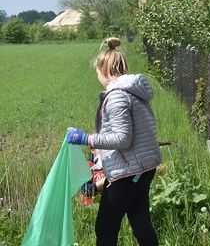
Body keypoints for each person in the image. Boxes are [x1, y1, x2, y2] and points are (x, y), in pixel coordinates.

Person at [66, 37, 161, 246]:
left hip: (128, 171)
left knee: (105, 227)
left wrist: (87, 138)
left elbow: (123, 138)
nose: (97, 76)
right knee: (140, 221)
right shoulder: (134, 92)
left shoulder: (117, 96)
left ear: (104, 70)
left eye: (97, 72)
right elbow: (128, 133)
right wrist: (99, 143)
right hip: (143, 168)